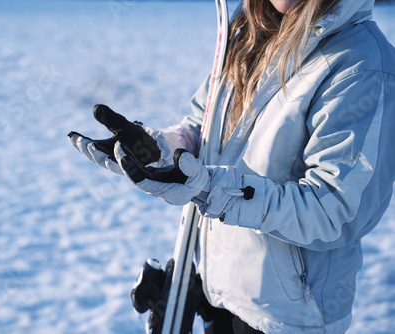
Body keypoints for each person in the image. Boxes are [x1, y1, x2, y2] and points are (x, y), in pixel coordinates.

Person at [68, 0, 395, 332]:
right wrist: (158, 150)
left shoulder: (361, 62)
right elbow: (204, 128)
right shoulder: (247, 33)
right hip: (221, 295)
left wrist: (214, 189)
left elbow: (335, 212)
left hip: (289, 318)